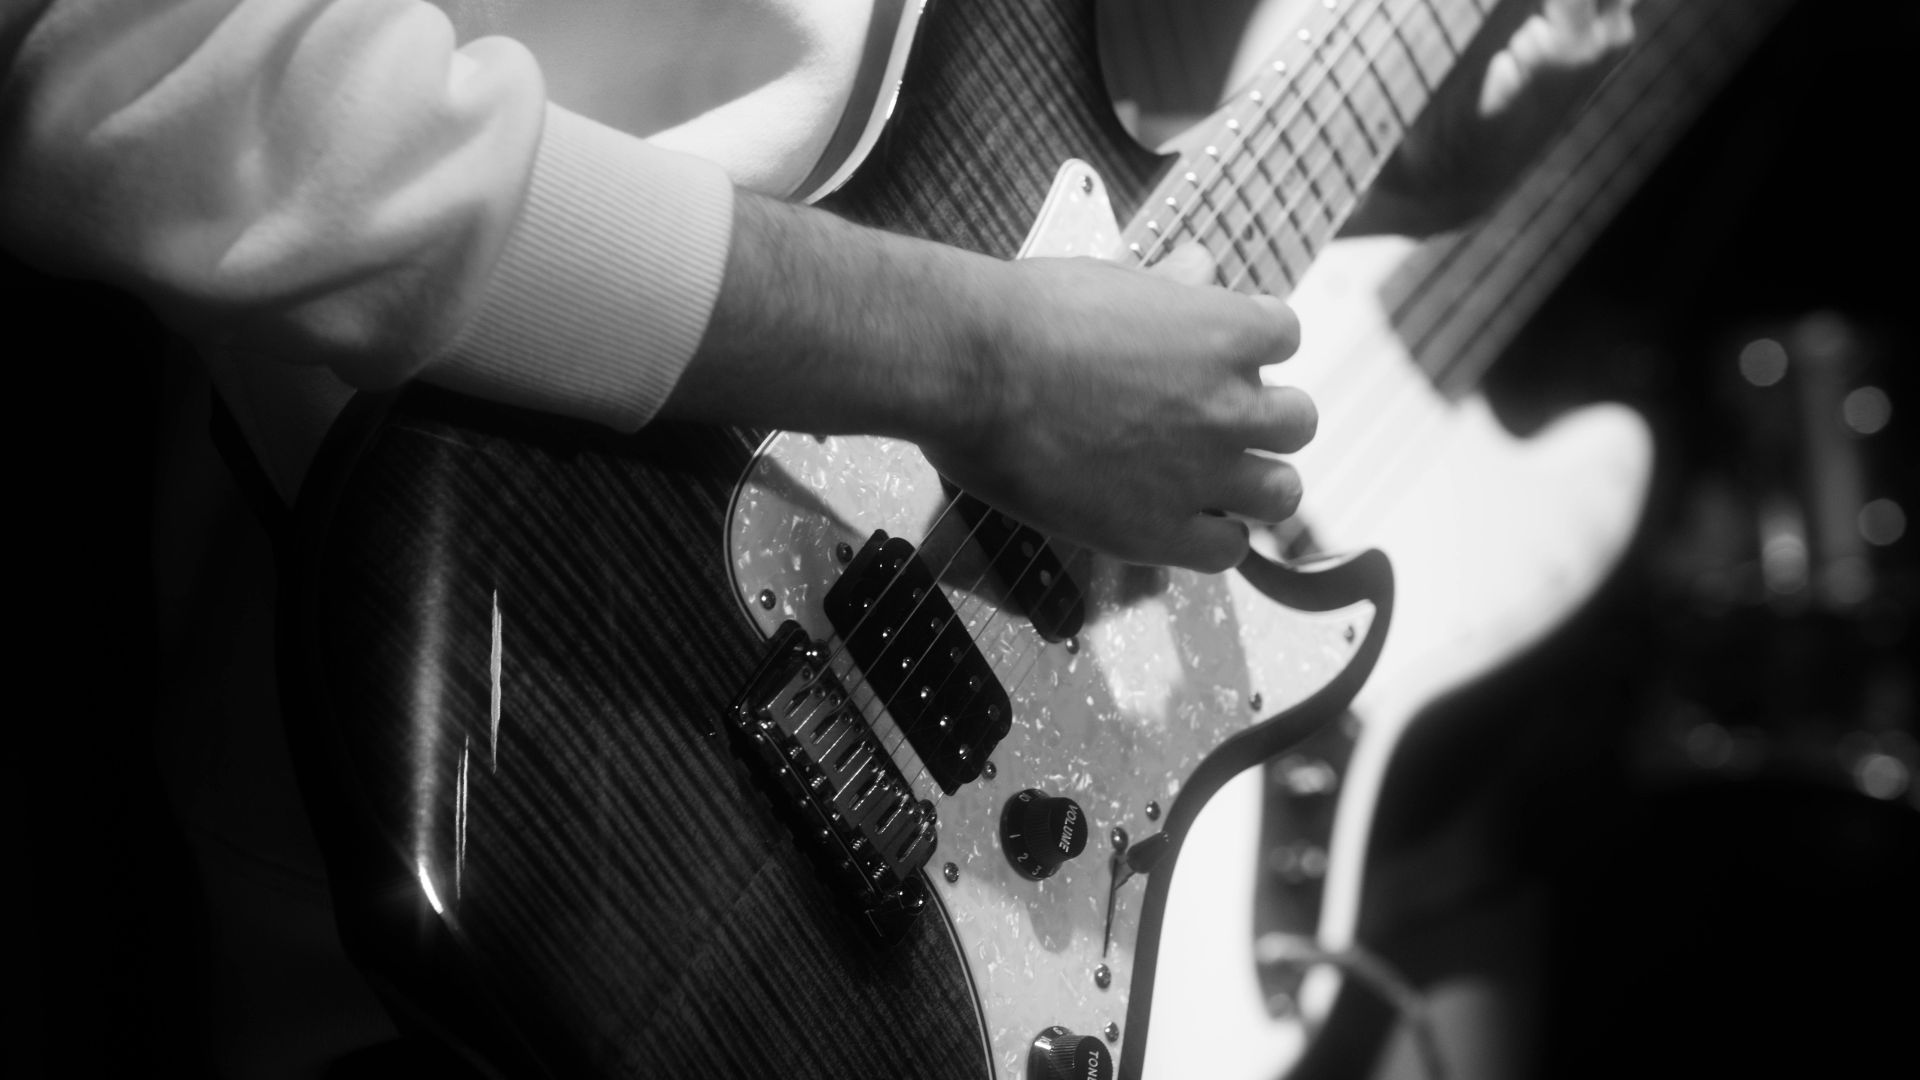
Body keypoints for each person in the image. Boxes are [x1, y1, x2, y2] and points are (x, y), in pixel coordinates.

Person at [1, 0, 1633, 1074]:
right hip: (527, 670)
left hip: (891, 809)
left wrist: (1371, 142)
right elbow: (152, 88)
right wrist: (974, 358)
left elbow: (1087, 97)